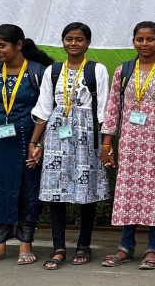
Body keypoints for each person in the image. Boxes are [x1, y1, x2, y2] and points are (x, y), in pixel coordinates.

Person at [100, 21, 155, 270]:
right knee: (128, 194)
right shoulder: (123, 71)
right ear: (134, 41)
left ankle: (152, 249)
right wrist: (108, 141)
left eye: (150, 39)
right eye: (140, 39)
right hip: (129, 145)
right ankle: (125, 247)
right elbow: (113, 107)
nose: (145, 44)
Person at [0, 24, 53, 265]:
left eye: (1, 45)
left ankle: (26, 244)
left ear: (18, 45)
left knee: (28, 190)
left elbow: (48, 110)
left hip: (29, 142)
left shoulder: (39, 72)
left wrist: (40, 143)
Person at [29, 23, 110, 270]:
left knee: (87, 193)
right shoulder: (53, 71)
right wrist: (35, 142)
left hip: (87, 137)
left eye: (79, 39)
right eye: (69, 39)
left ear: (88, 42)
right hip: (57, 136)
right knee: (57, 192)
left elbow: (104, 109)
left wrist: (107, 143)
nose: (73, 43)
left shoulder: (97, 70)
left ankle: (84, 244)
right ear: (63, 42)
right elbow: (44, 108)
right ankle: (58, 247)